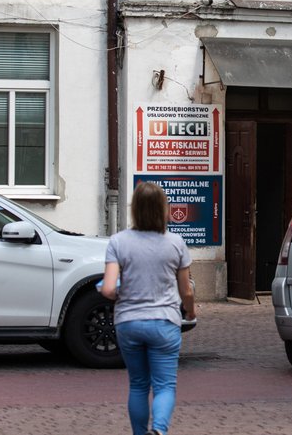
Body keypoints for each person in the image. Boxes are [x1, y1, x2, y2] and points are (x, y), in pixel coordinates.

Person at [101, 181, 196, 435]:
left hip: (128, 323)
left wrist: (119, 291)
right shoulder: (176, 243)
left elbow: (109, 289)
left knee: (139, 385)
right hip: (164, 322)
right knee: (165, 385)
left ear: (136, 210)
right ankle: (160, 430)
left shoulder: (118, 242)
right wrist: (191, 311)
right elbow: (186, 290)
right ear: (163, 209)